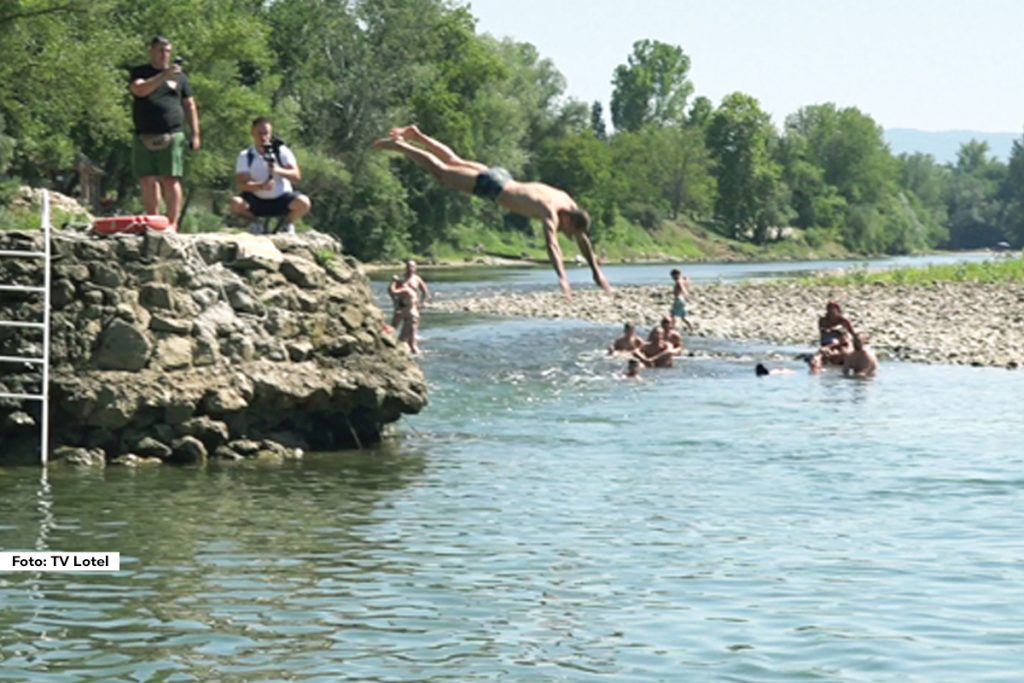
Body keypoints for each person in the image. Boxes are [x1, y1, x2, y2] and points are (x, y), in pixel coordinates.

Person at [374, 124, 611, 298]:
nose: (565, 233)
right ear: (568, 219)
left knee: (454, 160)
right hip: (494, 187)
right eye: (567, 230)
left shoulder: (567, 200)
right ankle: (401, 146)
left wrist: (596, 272)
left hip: (502, 175)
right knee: (442, 172)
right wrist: (562, 278)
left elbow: (583, 240)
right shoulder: (549, 211)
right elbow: (553, 246)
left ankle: (416, 134)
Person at [129, 36, 200, 231]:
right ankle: (153, 221)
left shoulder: (180, 78)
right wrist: (163, 76)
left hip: (172, 133)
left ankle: (172, 223)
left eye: (167, 51)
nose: (164, 55)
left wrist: (195, 134)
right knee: (147, 179)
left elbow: (189, 105)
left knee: (170, 178)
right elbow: (139, 90)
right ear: (151, 51)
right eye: (160, 50)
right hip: (143, 133)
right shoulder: (140, 72)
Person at [229, 117, 311, 235]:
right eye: (259, 133)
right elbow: (242, 184)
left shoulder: (281, 152)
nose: (263, 137)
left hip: (282, 199)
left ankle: (287, 224)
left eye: (266, 133)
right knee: (235, 203)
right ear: (253, 133)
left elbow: (296, 176)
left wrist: (278, 170)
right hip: (256, 200)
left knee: (304, 202)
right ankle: (255, 223)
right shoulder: (246, 155)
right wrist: (261, 186)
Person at [387, 277, 420, 354]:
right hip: (413, 317)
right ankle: (416, 355)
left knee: (403, 340)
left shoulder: (405, 290)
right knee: (411, 343)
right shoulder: (411, 291)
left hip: (411, 318)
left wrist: (393, 281)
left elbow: (393, 291)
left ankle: (416, 357)